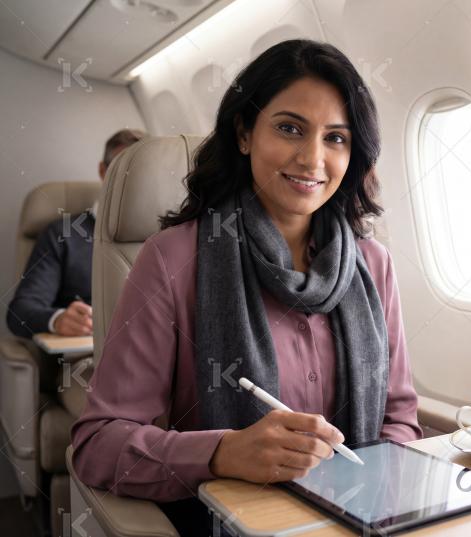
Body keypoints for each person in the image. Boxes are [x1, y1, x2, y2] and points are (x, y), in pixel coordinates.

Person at [70, 39, 422, 535]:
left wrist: (385, 500)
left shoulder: (373, 265)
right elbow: (98, 445)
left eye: (336, 138)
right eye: (289, 128)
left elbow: (399, 419)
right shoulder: (173, 259)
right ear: (243, 133)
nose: (312, 158)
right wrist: (222, 453)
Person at [6, 129, 146, 338]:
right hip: (87, 351)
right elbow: (20, 312)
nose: (132, 180)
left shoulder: (169, 235)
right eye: (122, 170)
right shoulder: (62, 234)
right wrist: (58, 320)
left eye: (142, 170)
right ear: (103, 171)